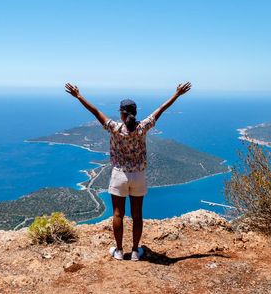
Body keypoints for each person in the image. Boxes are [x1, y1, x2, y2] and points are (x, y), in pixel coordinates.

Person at [65, 82, 192, 261]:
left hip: (119, 175)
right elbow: (161, 109)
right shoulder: (142, 128)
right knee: (137, 214)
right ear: (135, 112)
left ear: (122, 114)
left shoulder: (115, 128)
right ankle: (134, 251)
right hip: (138, 175)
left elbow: (94, 112)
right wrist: (177, 94)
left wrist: (78, 96)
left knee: (118, 213)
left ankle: (118, 251)